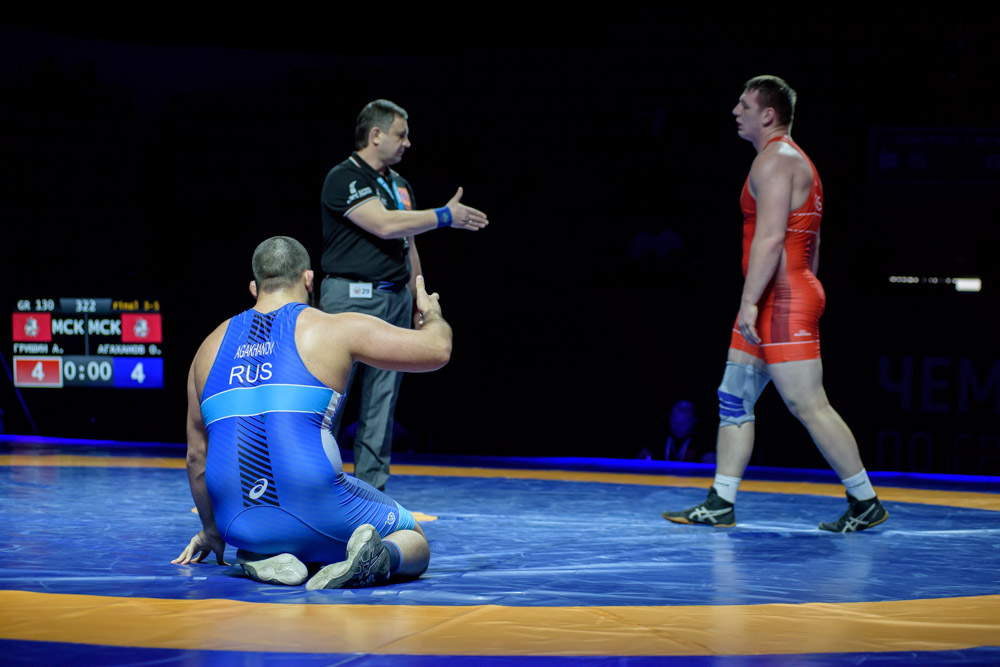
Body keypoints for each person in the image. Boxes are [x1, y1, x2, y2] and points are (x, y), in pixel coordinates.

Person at [662, 76, 888, 533]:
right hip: (777, 294)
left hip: (778, 299)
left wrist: (754, 302)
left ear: (768, 115)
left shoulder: (775, 160)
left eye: (744, 105)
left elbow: (769, 238)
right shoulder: (794, 161)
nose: (735, 111)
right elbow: (813, 242)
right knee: (734, 396)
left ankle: (865, 501)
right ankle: (721, 501)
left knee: (808, 404)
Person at [173, 236, 451, 589]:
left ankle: (257, 555)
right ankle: (377, 558)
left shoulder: (207, 348)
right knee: (413, 537)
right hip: (316, 505)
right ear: (308, 279)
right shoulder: (332, 328)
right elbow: (438, 349)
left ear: (254, 287)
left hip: (237, 522)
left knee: (261, 530)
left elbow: (196, 456)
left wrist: (212, 531)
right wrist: (431, 313)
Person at [320, 98, 488, 492]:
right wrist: (444, 216)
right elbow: (383, 224)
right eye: (401, 135)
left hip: (394, 299)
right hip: (349, 301)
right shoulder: (343, 177)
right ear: (375, 135)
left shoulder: (400, 185)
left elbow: (408, 241)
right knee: (329, 400)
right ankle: (312, 486)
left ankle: (372, 493)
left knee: (382, 403)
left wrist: (419, 297)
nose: (408, 143)